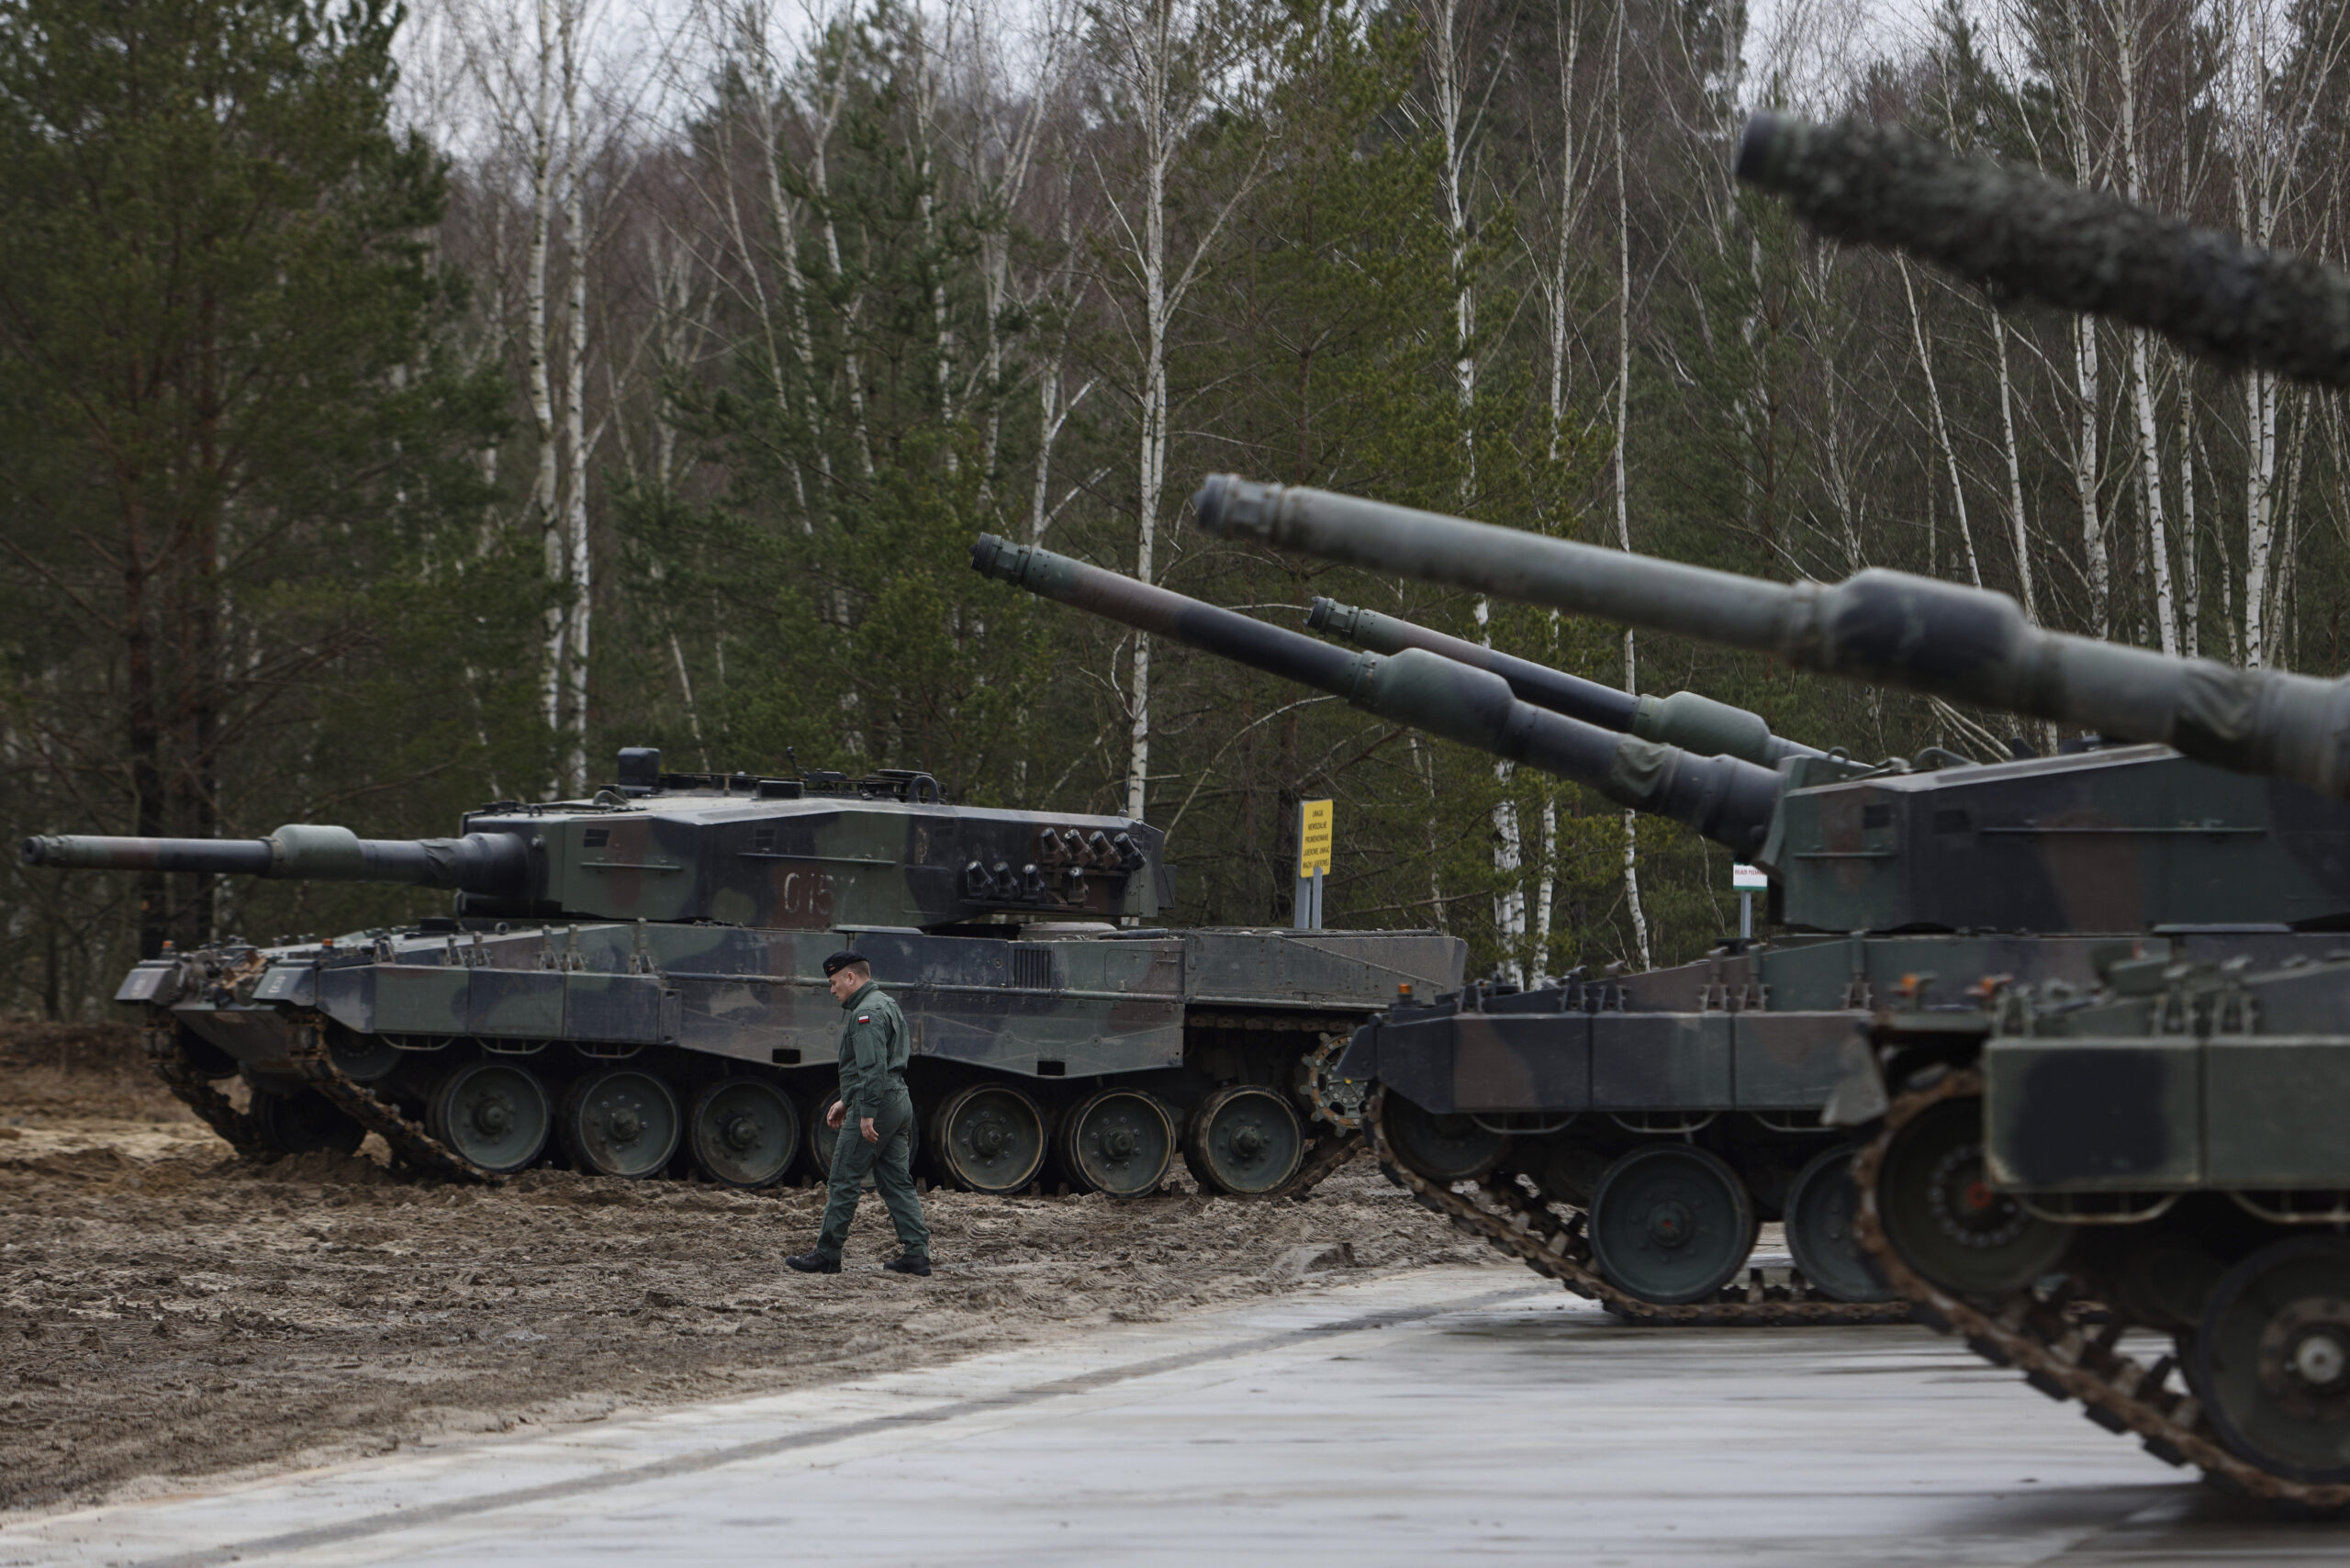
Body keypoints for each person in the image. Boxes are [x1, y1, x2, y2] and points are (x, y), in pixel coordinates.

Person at [787, 950, 933, 1277]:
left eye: (834, 981)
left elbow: (872, 1068)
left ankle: (827, 1255)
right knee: (897, 1182)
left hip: (878, 1103)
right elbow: (878, 1068)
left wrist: (864, 1113)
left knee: (843, 1178)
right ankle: (916, 1254)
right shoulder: (886, 1003)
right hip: (897, 1101)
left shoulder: (865, 1014)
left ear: (850, 977)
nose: (832, 989)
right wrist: (846, 1099)